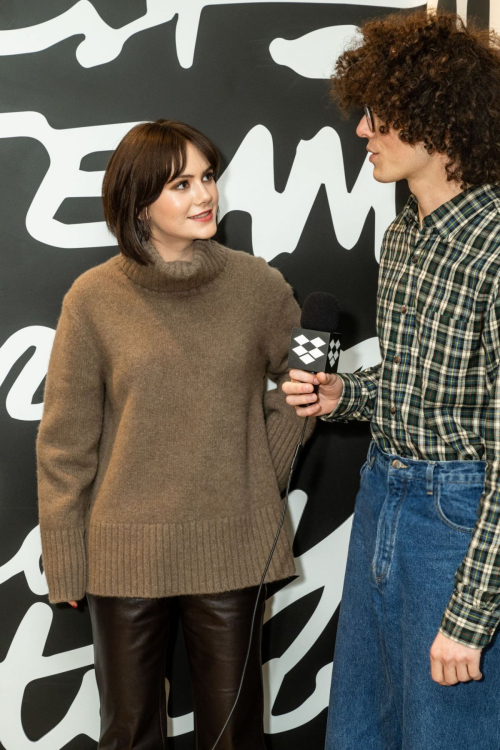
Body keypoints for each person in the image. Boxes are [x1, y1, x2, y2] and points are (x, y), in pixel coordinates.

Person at [36, 119, 312, 750]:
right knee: (129, 735)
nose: (204, 195)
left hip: (232, 549)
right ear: (138, 204)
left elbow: (305, 388)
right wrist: (68, 558)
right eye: (181, 184)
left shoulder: (259, 287)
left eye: (207, 177)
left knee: (234, 736)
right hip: (122, 557)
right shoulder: (94, 299)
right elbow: (64, 444)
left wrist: (257, 474)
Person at [283, 11, 500, 750]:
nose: (362, 129)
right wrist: (349, 394)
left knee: (449, 735)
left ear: (437, 116)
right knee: (361, 732)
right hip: (384, 497)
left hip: (459, 527)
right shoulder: (404, 234)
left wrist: (471, 615)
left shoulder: (496, 250)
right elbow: (421, 388)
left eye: (379, 112)